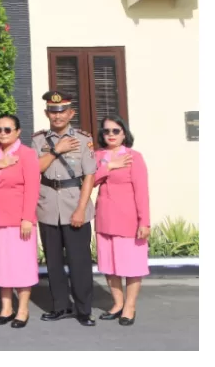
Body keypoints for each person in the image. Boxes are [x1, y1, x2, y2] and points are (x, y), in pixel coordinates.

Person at [31, 91, 97, 326]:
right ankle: (60, 306)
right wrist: (56, 150)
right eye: (53, 111)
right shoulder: (39, 140)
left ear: (71, 113)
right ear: (47, 113)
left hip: (74, 203)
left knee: (79, 261)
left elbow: (89, 175)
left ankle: (83, 309)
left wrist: (81, 208)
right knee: (54, 261)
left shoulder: (82, 138)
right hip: (47, 204)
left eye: (62, 111)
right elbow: (35, 169)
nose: (57, 116)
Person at [0, 114, 40, 328]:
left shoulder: (27, 154)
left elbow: (32, 188)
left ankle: (22, 309)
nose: (2, 133)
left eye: (7, 129)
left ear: (18, 131)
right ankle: (6, 308)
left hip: (18, 219)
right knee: (2, 265)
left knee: (22, 265)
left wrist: (27, 218)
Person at [93, 116, 150, 327]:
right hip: (104, 218)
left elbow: (142, 192)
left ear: (124, 133)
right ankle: (117, 304)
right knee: (109, 264)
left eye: (116, 131)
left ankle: (130, 306)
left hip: (129, 219)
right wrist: (109, 165)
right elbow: (90, 182)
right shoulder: (98, 156)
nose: (111, 134)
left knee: (132, 265)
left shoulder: (134, 157)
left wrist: (144, 221)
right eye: (107, 131)